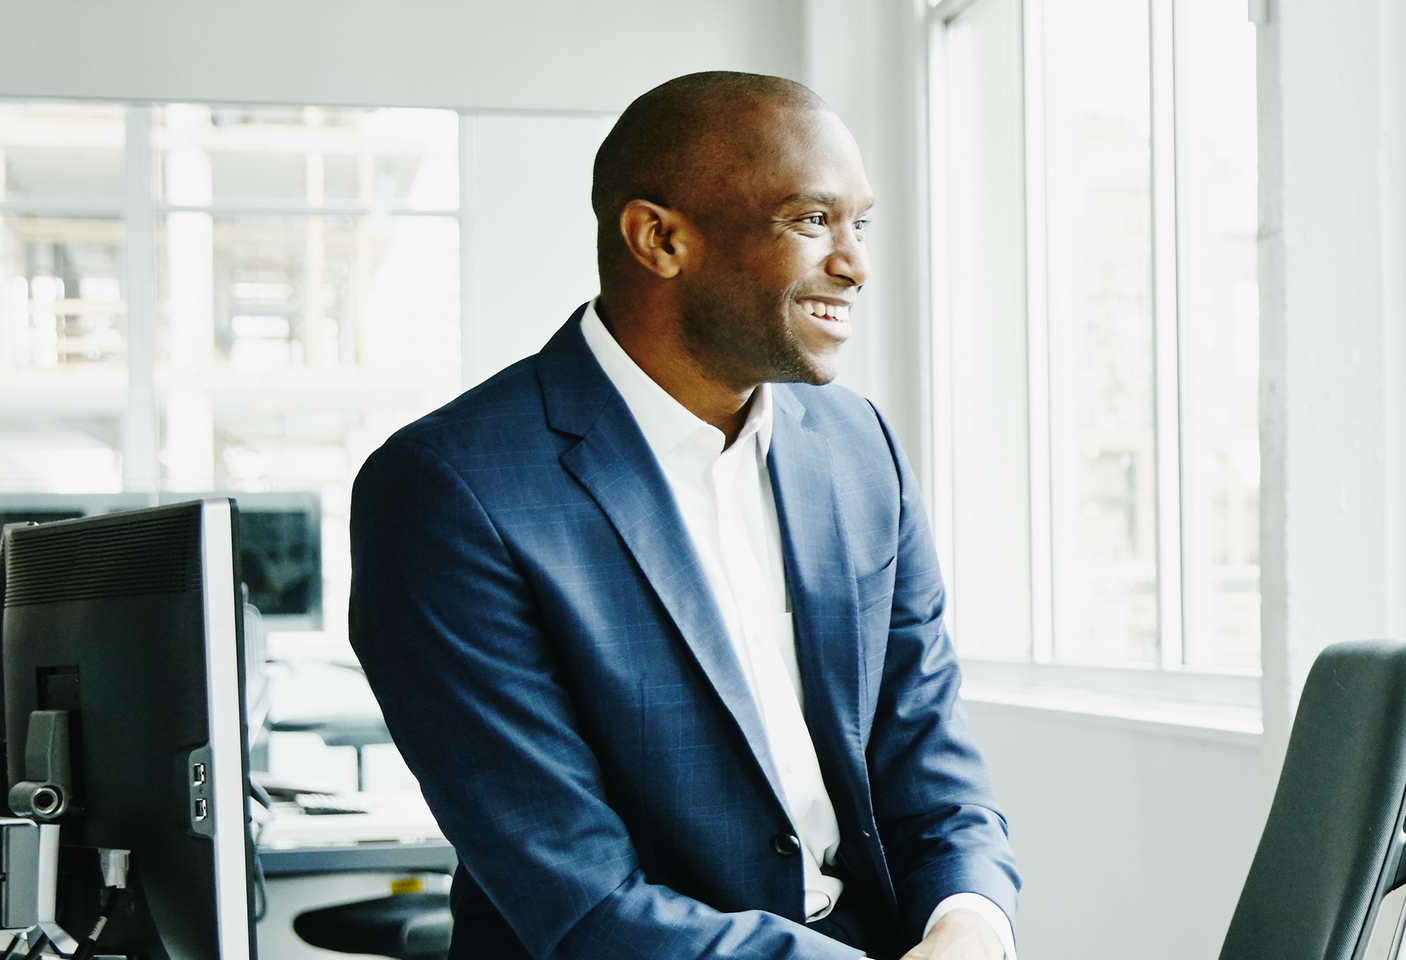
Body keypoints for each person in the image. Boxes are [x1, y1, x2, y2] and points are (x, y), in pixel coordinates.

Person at [348, 72, 1016, 959]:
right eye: (813, 221)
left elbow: (925, 749)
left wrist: (968, 924)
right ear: (659, 239)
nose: (855, 264)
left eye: (862, 224)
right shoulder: (448, 488)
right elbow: (580, 900)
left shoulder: (860, 448)